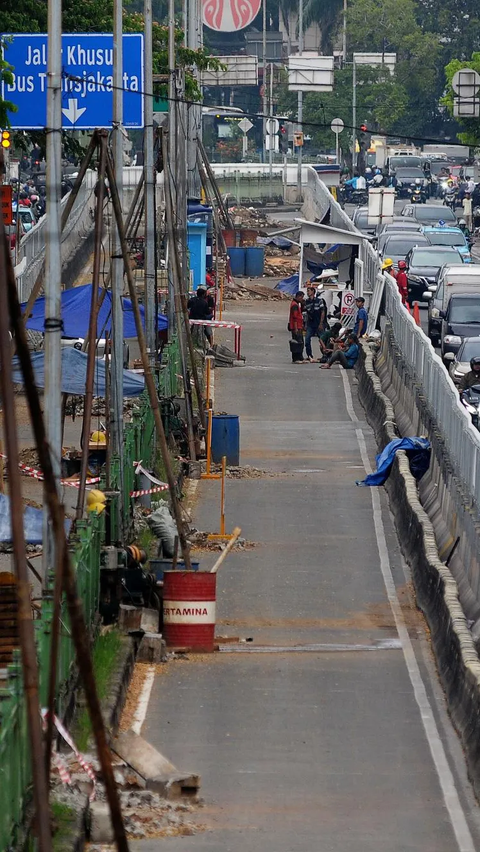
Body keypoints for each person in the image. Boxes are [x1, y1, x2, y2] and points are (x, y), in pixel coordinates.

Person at [304, 285, 327, 362]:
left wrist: (321, 323)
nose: (308, 292)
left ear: (313, 291)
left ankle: (325, 355)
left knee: (323, 340)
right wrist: (306, 324)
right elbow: (306, 313)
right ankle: (309, 355)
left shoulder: (319, 301)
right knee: (307, 340)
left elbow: (322, 312)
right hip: (311, 324)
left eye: (309, 291)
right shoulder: (307, 302)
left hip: (318, 323)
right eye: (307, 291)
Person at [288, 291, 305, 363]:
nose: (302, 299)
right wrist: (296, 328)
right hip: (296, 327)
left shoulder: (296, 304)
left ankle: (300, 357)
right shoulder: (294, 305)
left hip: (298, 326)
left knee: (299, 342)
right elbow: (295, 317)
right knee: (297, 343)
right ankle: (296, 358)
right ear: (298, 296)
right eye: (301, 297)